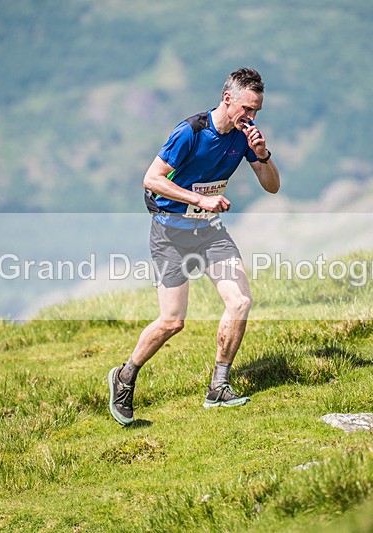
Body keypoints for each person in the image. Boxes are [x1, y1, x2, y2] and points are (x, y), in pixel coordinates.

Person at [108, 67, 280, 426]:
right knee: (172, 322)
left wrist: (262, 155)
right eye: (246, 109)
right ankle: (124, 377)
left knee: (240, 301)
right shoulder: (190, 132)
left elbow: (272, 187)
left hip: (210, 231)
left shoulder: (245, 138)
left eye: (256, 112)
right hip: (170, 232)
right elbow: (151, 179)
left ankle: (218, 386)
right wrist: (198, 200)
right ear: (227, 98)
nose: (250, 118)